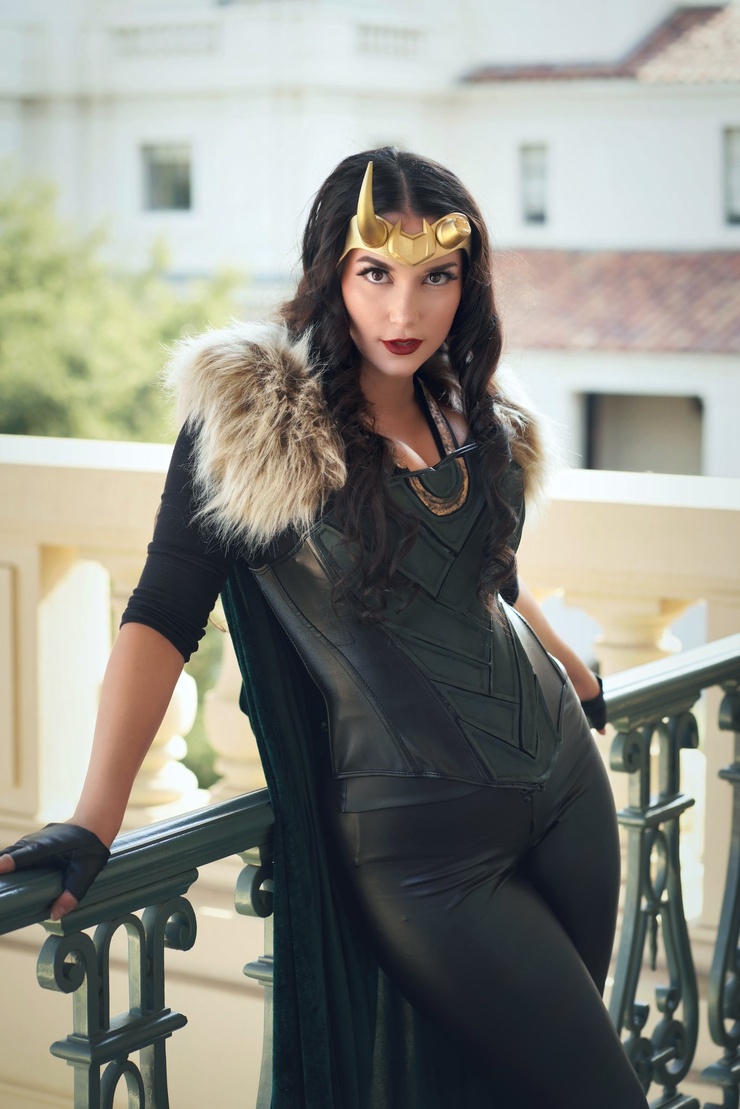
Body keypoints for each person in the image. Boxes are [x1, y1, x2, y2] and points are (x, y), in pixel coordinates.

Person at [0, 149, 648, 1109]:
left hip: (566, 786)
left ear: (468, 283)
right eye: (375, 273)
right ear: (331, 270)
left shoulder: (474, 405)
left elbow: (491, 577)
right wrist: (97, 816)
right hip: (428, 854)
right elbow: (164, 613)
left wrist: (569, 665)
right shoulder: (257, 420)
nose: (404, 310)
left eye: (436, 277)